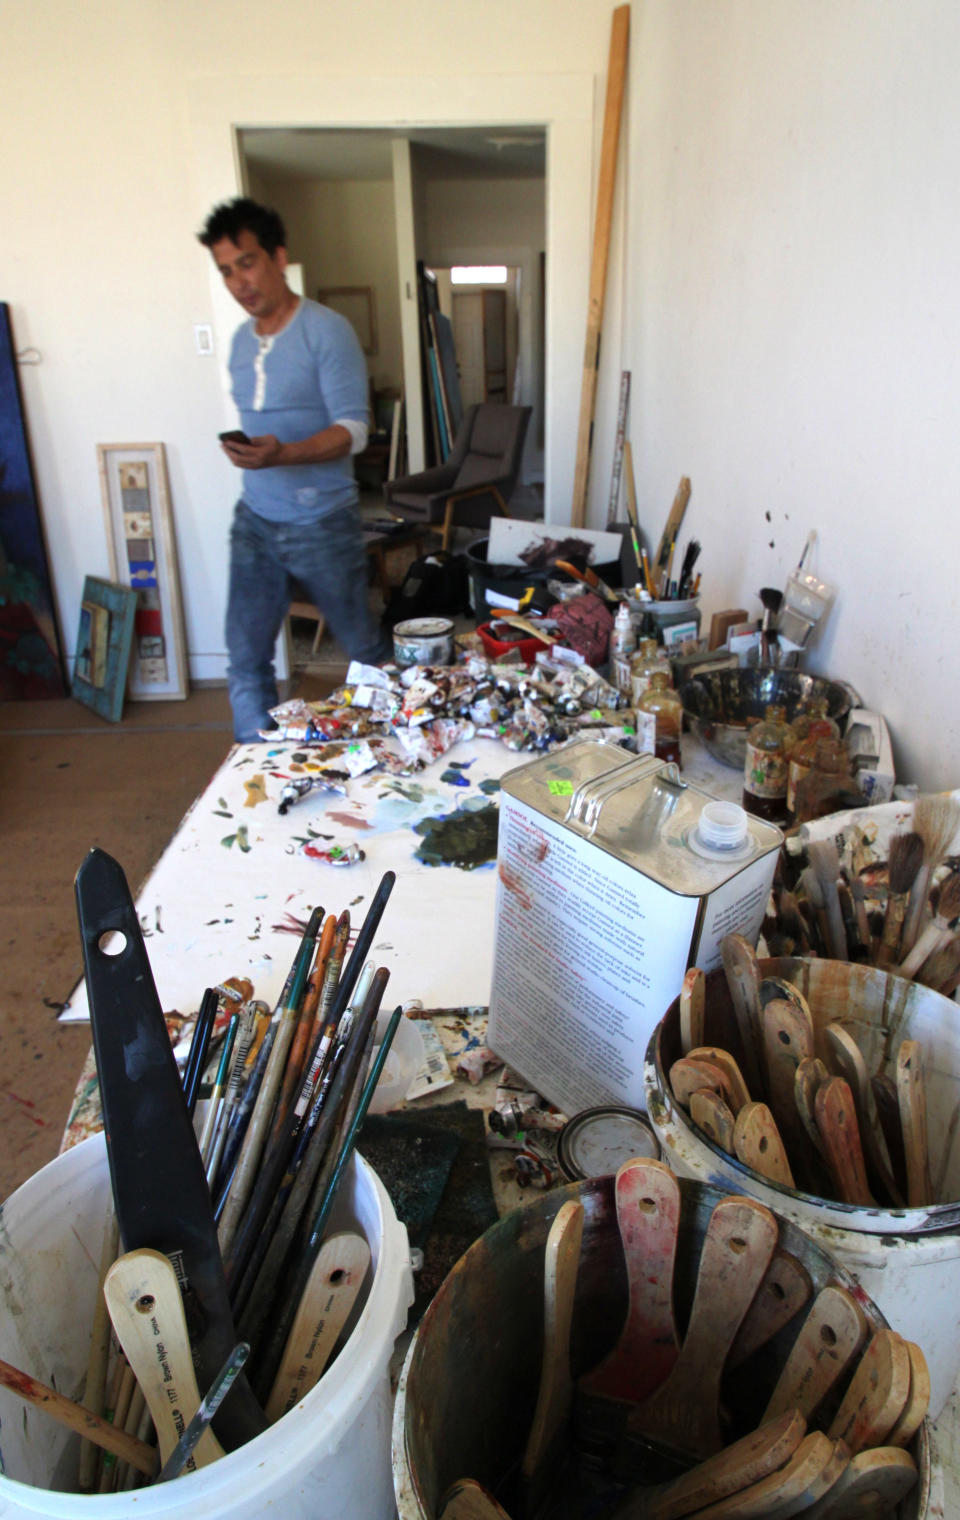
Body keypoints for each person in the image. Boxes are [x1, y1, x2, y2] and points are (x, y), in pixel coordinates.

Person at [198, 196, 388, 741]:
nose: (239, 282)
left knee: (365, 651)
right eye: (226, 270)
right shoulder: (238, 343)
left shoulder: (327, 331)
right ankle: (254, 777)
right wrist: (254, 454)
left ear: (279, 257)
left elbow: (354, 429)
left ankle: (393, 761)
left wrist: (282, 453)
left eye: (248, 262)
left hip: (323, 522)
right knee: (245, 656)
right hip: (255, 518)